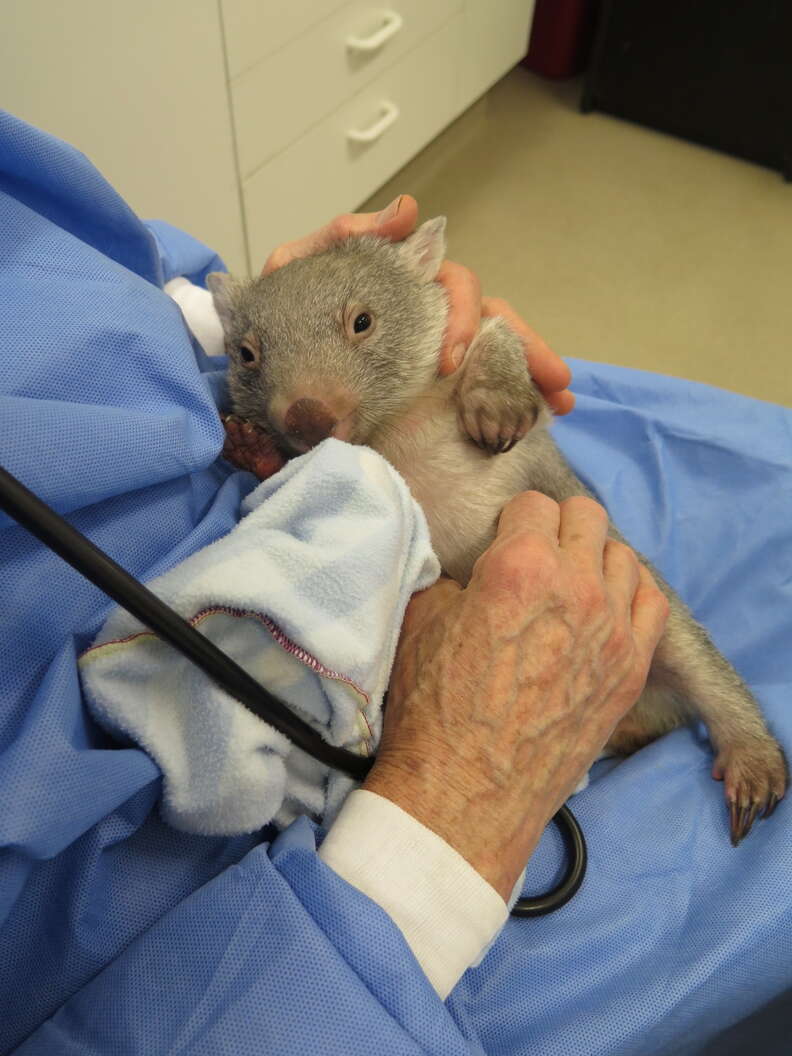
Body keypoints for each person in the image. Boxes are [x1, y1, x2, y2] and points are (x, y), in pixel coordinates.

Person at [2, 112, 789, 1054]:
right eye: (258, 366)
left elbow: (160, 281)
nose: (305, 396)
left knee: (664, 604)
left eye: (363, 326)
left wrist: (212, 308)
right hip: (343, 845)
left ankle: (740, 727)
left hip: (548, 604)